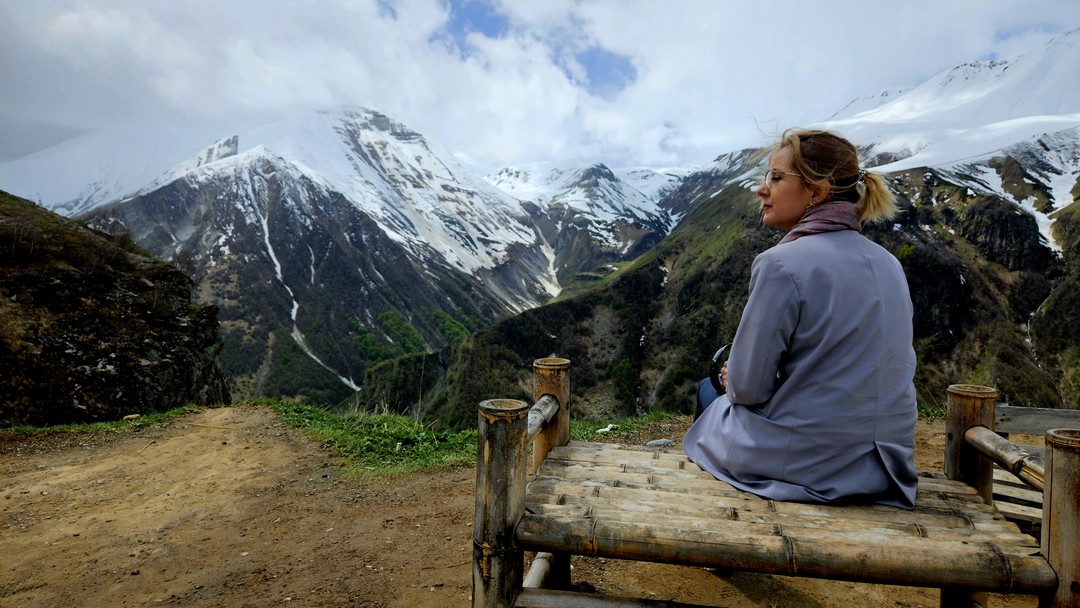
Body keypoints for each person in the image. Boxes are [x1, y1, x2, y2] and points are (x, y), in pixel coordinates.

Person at [682, 128, 919, 508]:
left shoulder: (780, 263)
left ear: (817, 191)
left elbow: (747, 390)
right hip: (884, 465)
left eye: (776, 178)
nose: (763, 190)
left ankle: (714, 517)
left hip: (814, 465)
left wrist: (733, 374)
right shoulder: (889, 263)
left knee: (709, 392)